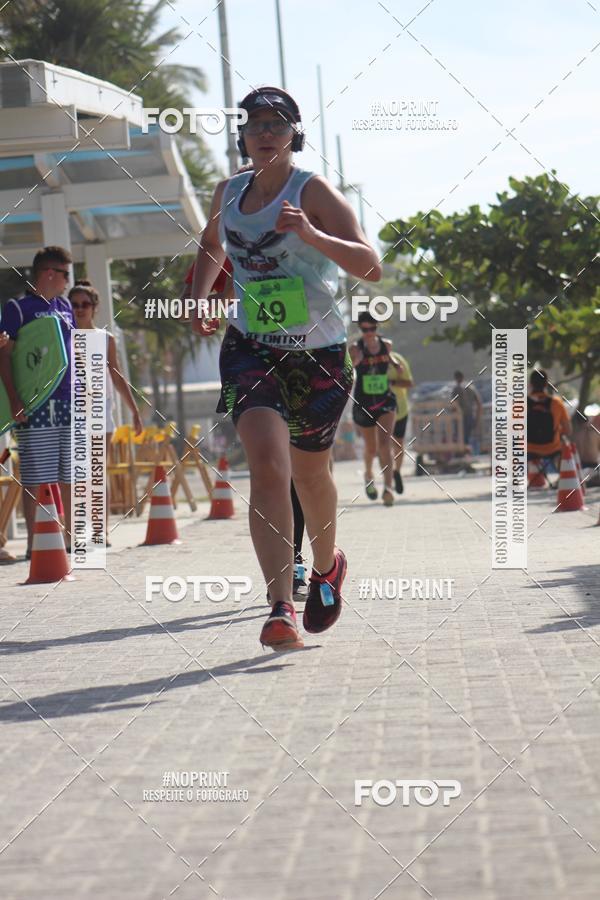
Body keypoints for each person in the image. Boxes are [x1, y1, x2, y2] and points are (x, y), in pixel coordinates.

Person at [189, 85, 381, 650]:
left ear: (295, 134)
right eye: (255, 125)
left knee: (310, 475)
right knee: (269, 466)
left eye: (278, 125)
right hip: (252, 347)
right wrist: (202, 297)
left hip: (317, 353)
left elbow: (369, 265)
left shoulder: (312, 190)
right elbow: (210, 246)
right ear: (242, 136)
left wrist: (311, 233)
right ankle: (279, 606)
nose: (266, 134)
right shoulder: (228, 193)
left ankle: (327, 565)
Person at [0, 246, 75, 558]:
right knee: (36, 476)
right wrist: (16, 399)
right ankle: (36, 544)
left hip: (68, 401)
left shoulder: (66, 305)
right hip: (35, 404)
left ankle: (71, 539)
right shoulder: (18, 308)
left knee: (70, 474)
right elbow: (5, 355)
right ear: (49, 273)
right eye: (65, 275)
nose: (68, 282)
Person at [69, 279, 143, 542]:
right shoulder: (64, 335)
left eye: (84, 304)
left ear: (94, 307)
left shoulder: (105, 339)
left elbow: (117, 375)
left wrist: (134, 411)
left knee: (97, 472)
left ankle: (100, 529)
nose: (79, 309)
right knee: (77, 475)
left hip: (100, 414)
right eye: (74, 304)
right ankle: (77, 529)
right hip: (71, 416)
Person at [349, 311, 402, 506]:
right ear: (361, 329)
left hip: (385, 400)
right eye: (365, 329)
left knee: (384, 444)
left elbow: (390, 358)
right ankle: (368, 474)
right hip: (364, 402)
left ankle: (388, 488)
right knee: (371, 448)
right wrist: (356, 361)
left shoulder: (386, 345)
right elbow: (348, 370)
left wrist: (397, 366)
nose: (369, 332)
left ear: (376, 328)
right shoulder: (355, 348)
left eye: (372, 328)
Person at [527, 368, 571, 469]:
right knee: (566, 444)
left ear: (531, 384)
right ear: (546, 384)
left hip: (528, 450)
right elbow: (568, 430)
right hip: (552, 449)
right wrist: (557, 431)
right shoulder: (557, 403)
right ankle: (562, 477)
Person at [388, 348, 414, 494]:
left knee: (398, 444)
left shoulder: (397, 360)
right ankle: (388, 477)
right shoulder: (369, 360)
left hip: (400, 409)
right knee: (384, 445)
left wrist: (391, 382)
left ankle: (396, 471)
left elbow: (409, 383)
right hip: (379, 409)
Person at [453, 370, 482, 451]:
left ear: (456, 378)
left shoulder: (457, 388)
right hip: (470, 416)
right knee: (469, 437)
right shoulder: (471, 387)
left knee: (461, 438)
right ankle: (469, 453)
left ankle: (463, 454)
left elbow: (454, 404)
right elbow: (479, 403)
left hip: (461, 418)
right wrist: (477, 418)